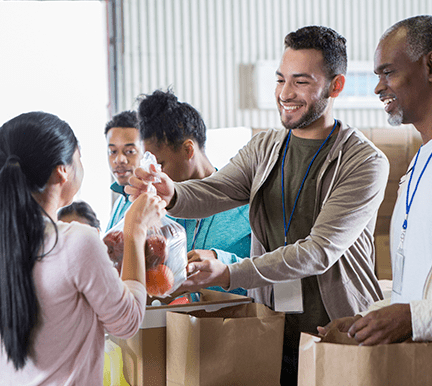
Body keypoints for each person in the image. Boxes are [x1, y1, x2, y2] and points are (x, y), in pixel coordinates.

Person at [127, 26, 390, 383]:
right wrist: (170, 190)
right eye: (281, 79)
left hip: (339, 332)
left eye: (300, 82)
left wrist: (231, 272)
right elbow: (213, 191)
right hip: (271, 327)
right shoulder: (265, 147)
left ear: (336, 86)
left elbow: (319, 252)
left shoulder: (364, 162)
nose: (284, 93)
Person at [0, 111, 166, 384]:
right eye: (79, 158)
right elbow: (127, 322)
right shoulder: (76, 240)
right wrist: (135, 228)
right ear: (62, 171)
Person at [318, 15, 432, 346]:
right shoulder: (419, 163)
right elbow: (412, 287)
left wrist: (412, 319)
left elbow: (415, 312)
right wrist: (370, 319)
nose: (378, 87)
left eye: (388, 72)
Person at [137, 89, 251, 295]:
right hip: (176, 325)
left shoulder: (245, 203)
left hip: (238, 324)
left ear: (188, 150)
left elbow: (279, 269)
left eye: (161, 164)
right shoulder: (164, 213)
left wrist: (222, 263)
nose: (157, 175)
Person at [105, 110, 142, 231]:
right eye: (113, 152)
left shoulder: (154, 203)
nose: (119, 159)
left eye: (130, 151)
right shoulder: (119, 202)